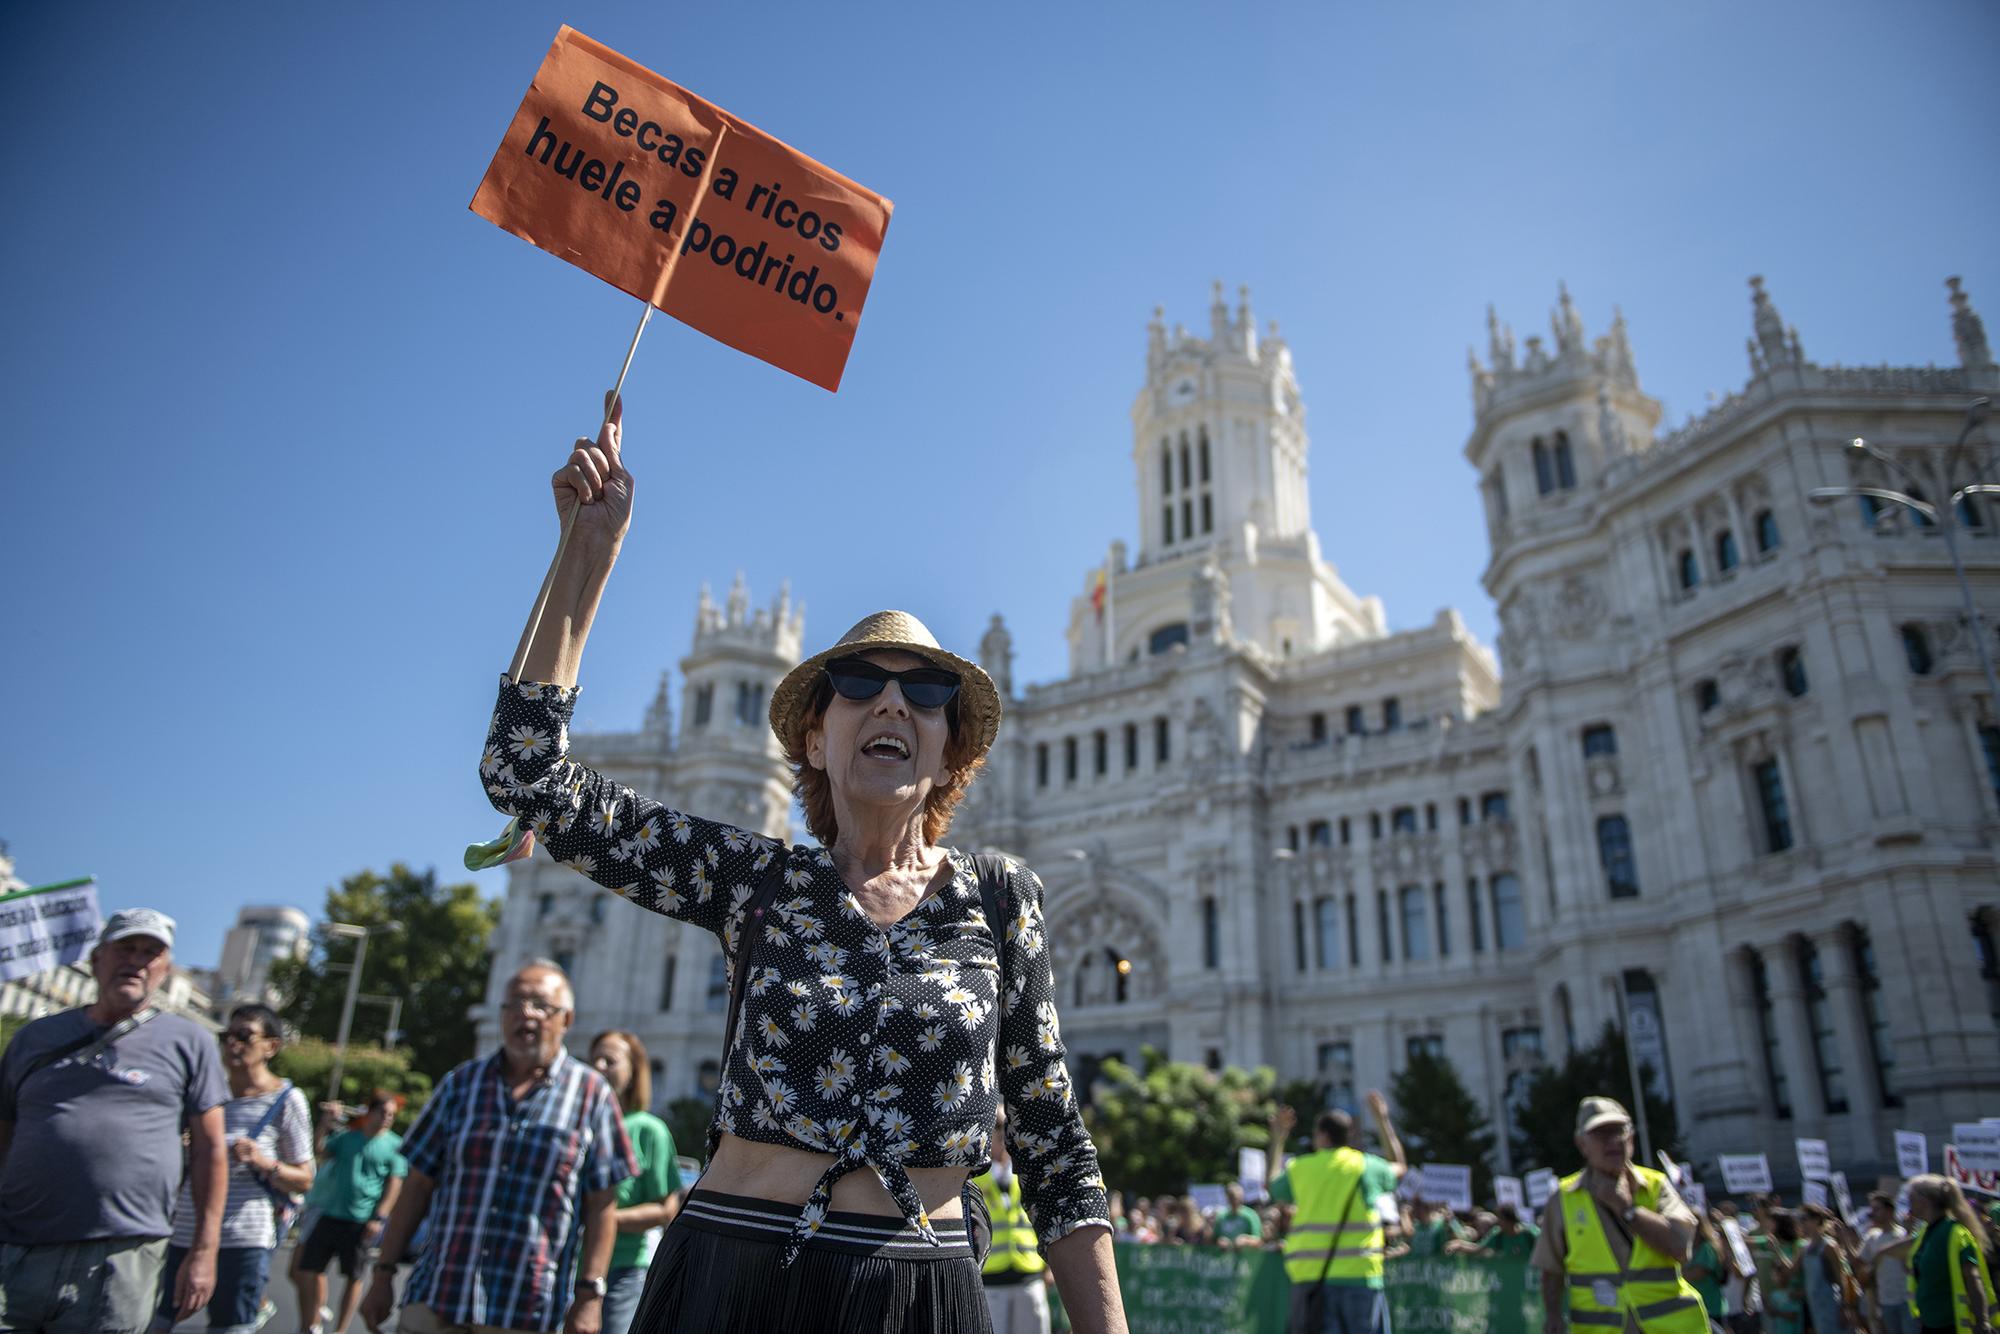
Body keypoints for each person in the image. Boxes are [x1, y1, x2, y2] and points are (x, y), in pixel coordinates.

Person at [472, 398, 1124, 1333]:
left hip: (920, 1293)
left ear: (950, 751)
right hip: (732, 1279)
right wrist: (585, 554)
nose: (892, 703)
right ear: (816, 740)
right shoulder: (758, 883)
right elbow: (525, 775)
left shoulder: (997, 898)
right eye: (860, 684)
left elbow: (1054, 1142)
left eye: (925, 692)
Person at [361, 963, 634, 1334]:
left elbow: (602, 1204)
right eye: (515, 1003)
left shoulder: (592, 1095)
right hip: (438, 1296)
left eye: (540, 1005)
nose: (526, 1013)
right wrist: (383, 1273)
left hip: (527, 1308)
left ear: (566, 1019)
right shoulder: (460, 1085)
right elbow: (417, 1185)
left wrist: (590, 1296)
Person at [0, 908, 228, 1334]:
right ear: (96, 960)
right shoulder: (35, 1038)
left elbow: (211, 1150)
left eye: (150, 953)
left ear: (164, 971)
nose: (136, 961)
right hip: (17, 1248)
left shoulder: (190, 1042)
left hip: (121, 1258)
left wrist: (204, 1251)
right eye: (126, 948)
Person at [149, 1002, 314, 1334]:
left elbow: (305, 1179)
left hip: (244, 1238)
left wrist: (263, 1161)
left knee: (231, 1328)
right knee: (154, 1323)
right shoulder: (204, 1095)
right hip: (186, 1230)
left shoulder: (286, 1100)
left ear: (271, 1046)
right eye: (227, 1036)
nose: (233, 1044)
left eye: (245, 1036)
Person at [1530, 1096, 1703, 1332]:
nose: (1613, 1141)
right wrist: (1552, 1315)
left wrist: (1627, 1209)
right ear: (1582, 1144)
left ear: (1631, 1138)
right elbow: (1551, 1269)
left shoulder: (1656, 1185)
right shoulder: (1563, 1198)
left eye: (1619, 1131)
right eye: (1601, 1134)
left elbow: (1681, 1247)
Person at [1265, 1091, 1408, 1334]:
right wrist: (1383, 1121)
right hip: (1361, 1276)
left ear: (1322, 1135)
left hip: (1311, 1278)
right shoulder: (1365, 1166)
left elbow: (1271, 1184)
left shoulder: (1301, 1168)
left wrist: (1278, 1140)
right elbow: (1400, 1167)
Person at [586, 1030, 684, 1334]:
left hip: (624, 1270)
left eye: (610, 1061)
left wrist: (602, 1220)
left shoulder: (649, 1130)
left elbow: (665, 1209)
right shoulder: (579, 1123)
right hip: (570, 1269)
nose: (599, 1067)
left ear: (633, 1072)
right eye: (594, 1060)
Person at [292, 1091, 407, 1334]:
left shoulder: (395, 1146)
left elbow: (395, 1184)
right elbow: (319, 1149)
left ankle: (340, 1330)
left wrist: (379, 1217)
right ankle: (309, 1324)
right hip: (331, 1213)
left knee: (354, 1277)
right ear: (370, 1112)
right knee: (308, 1270)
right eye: (383, 1113)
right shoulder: (348, 1138)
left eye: (391, 1115)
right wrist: (325, 1122)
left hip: (361, 1220)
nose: (387, 1118)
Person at [1875, 1174, 1994, 1334]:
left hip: (1951, 1325)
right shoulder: (1925, 1232)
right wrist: (1880, 1253)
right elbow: (1906, 1249)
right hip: (1929, 1324)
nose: (1908, 1203)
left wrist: (1982, 1321)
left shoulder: (1954, 1233)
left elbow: (1972, 1278)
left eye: (1911, 1198)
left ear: (1924, 1200)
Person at [980, 1109, 1052, 1334]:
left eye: (1005, 1128)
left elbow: (1045, 1220)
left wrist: (1050, 1266)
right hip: (990, 1279)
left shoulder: (1027, 1173)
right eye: (996, 1129)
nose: (1001, 1137)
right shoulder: (975, 1177)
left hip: (1029, 1275)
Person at [1858, 1191, 1916, 1334]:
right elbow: (1859, 1263)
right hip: (1885, 1302)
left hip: (1907, 1299)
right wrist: (1845, 1240)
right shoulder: (1871, 1237)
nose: (1872, 1214)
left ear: (1889, 1211)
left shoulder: (1903, 1235)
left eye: (1877, 1209)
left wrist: (1909, 1233)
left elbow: (1910, 1266)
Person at [1763, 1211, 1807, 1334]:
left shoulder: (1799, 1245)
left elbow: (1791, 1271)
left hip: (1800, 1299)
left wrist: (1777, 1251)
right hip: (1786, 1299)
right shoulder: (1778, 1246)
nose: (1767, 1225)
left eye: (1770, 1222)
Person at [1214, 1182, 1265, 1249]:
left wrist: (1246, 1240)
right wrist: (1220, 1241)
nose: (1234, 1201)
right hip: (1226, 1255)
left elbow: (1259, 1240)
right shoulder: (1221, 1216)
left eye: (1236, 1198)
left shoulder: (1251, 1215)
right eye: (1231, 1197)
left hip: (1246, 1254)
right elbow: (1213, 1238)